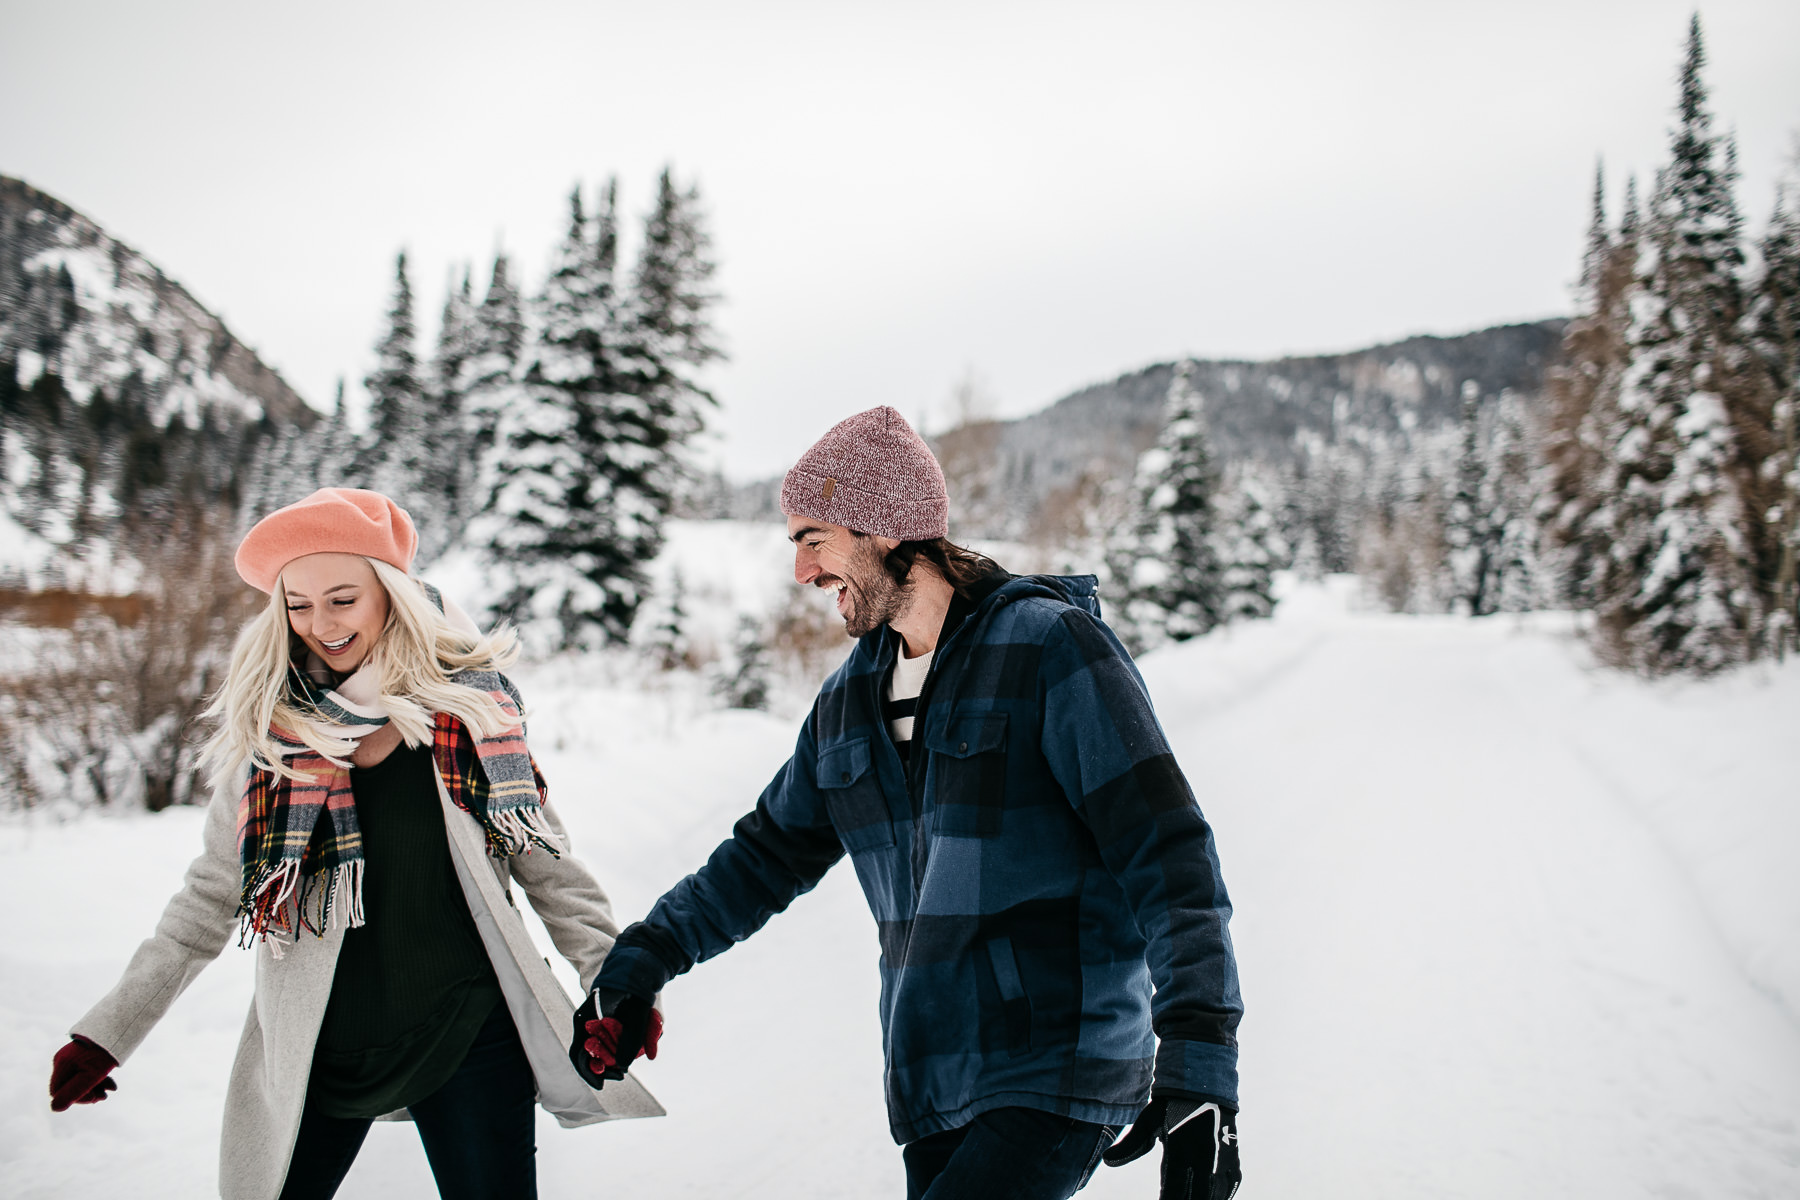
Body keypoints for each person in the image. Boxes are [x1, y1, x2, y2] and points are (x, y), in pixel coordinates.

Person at [568, 407, 1243, 1199]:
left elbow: (1166, 855)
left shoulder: (1047, 650)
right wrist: (643, 960)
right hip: (930, 1078)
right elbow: (761, 859)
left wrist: (1201, 1066)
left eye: (813, 538)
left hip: (1057, 1060)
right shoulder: (849, 702)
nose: (804, 573)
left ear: (885, 529)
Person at [48, 487, 656, 1200]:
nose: (318, 624)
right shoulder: (272, 734)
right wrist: (108, 1033)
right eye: (297, 604)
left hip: (465, 1030)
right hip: (315, 1047)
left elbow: (548, 866)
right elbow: (210, 897)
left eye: (342, 599)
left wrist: (619, 986)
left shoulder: (465, 713)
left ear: (389, 595)